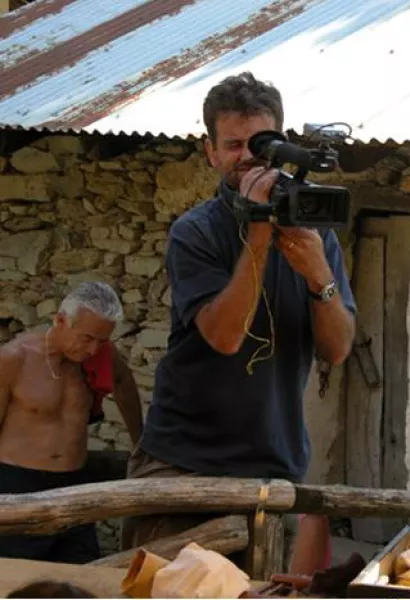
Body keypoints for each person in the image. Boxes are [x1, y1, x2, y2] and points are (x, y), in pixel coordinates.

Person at [123, 72, 356, 576]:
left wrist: (319, 274)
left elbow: (337, 350)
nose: (248, 157)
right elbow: (225, 337)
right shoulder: (196, 232)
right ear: (210, 151)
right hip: (184, 465)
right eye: (232, 145)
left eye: (261, 143)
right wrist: (257, 232)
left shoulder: (314, 233)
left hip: (271, 466)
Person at [0, 281, 143, 563]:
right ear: (61, 320)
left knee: (81, 575)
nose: (93, 349)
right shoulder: (14, 358)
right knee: (17, 579)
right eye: (87, 338)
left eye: (102, 340)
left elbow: (124, 383)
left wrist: (141, 442)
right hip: (19, 485)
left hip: (74, 485)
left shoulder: (101, 356)